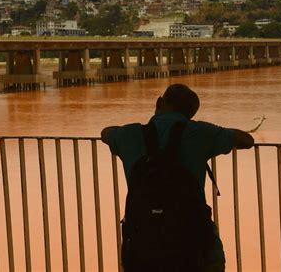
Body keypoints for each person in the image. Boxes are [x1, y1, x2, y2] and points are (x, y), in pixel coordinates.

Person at [101, 84, 254, 272]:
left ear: (159, 103)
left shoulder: (129, 134)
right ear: (190, 115)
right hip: (195, 248)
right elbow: (247, 140)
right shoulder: (200, 133)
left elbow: (105, 133)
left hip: (143, 249)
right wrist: (213, 131)